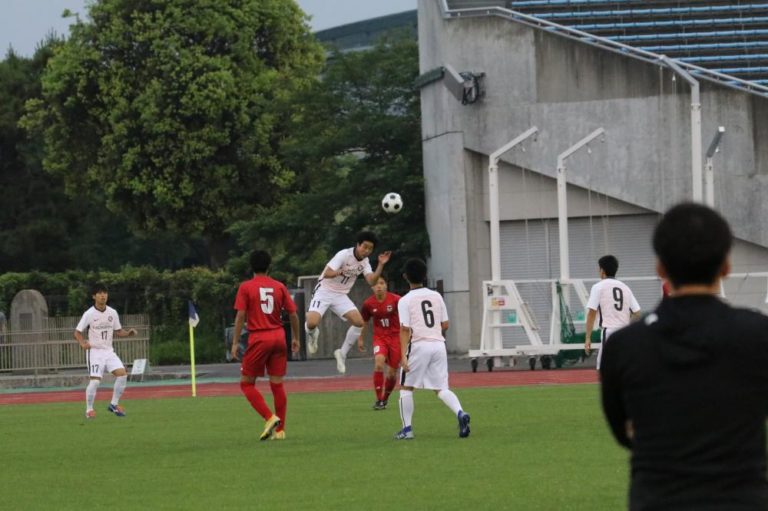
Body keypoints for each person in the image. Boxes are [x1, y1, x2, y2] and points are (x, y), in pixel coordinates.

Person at [601, 203, 768, 510]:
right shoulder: (758, 335)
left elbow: (623, 432)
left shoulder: (625, 346)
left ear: (660, 269)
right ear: (726, 267)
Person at [394, 258, 470, 440]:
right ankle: (460, 412)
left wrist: (403, 356)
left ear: (405, 277)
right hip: (438, 345)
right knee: (441, 388)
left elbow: (404, 329)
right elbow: (445, 324)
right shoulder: (436, 296)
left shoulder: (405, 300)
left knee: (406, 387)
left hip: (418, 345)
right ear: (425, 276)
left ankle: (407, 430)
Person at [231, 250, 300, 441]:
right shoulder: (279, 287)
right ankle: (280, 431)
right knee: (277, 384)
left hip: (259, 337)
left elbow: (240, 316)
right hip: (279, 336)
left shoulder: (246, 287)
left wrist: (235, 342)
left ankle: (270, 418)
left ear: (251, 266)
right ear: (269, 266)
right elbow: (293, 314)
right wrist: (295, 337)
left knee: (246, 383)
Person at [304, 231, 391, 374]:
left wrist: (381, 265)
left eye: (370, 249)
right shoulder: (344, 255)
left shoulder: (365, 262)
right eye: (365, 247)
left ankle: (342, 353)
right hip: (324, 290)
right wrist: (340, 272)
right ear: (358, 244)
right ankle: (312, 334)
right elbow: (327, 273)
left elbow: (371, 281)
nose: (366, 251)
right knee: (312, 322)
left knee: (359, 322)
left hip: (340, 295)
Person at [74, 283, 137, 419]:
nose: (103, 295)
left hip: (109, 351)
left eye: (105, 293)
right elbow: (77, 332)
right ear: (94, 296)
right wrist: (82, 343)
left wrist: (128, 333)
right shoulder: (89, 314)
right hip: (95, 352)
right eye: (100, 293)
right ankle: (89, 410)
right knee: (95, 381)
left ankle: (113, 405)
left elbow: (118, 331)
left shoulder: (112, 312)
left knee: (122, 374)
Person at [584, 255, 641, 369]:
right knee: (623, 367)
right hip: (625, 332)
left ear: (602, 270)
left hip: (609, 332)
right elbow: (637, 312)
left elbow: (591, 313)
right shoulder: (625, 287)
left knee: (604, 368)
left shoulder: (598, 287)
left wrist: (587, 337)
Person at [357, 276, 401, 410]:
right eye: (376, 284)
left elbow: (408, 316)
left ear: (386, 285)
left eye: (381, 283)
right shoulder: (368, 304)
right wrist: (360, 338)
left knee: (392, 373)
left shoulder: (396, 300)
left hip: (395, 338)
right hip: (380, 338)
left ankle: (385, 398)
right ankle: (379, 399)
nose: (379, 286)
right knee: (379, 363)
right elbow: (363, 321)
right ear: (372, 287)